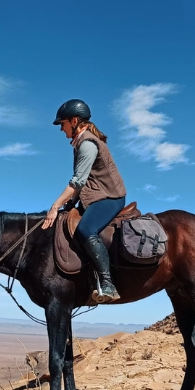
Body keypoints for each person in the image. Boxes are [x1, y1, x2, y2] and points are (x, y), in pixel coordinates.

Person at [42, 99, 127, 303]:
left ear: (74, 121)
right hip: (96, 196)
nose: (61, 129)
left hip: (110, 197)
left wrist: (55, 207)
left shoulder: (87, 143)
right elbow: (84, 183)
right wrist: (69, 205)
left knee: (85, 230)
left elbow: (77, 181)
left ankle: (107, 284)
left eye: (62, 124)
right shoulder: (80, 142)